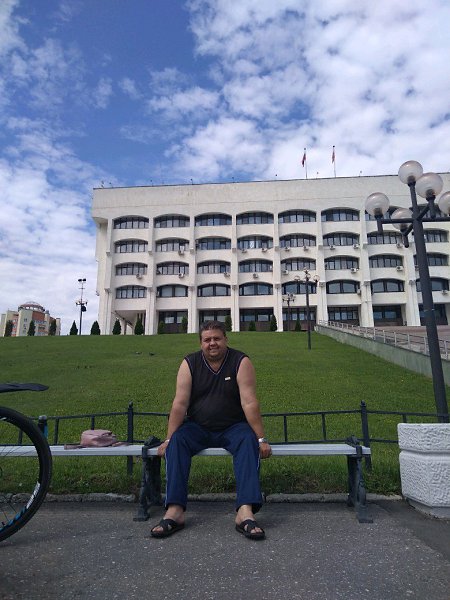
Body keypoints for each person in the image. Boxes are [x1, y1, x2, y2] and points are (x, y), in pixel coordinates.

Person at [150, 320, 272, 540]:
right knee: (178, 441)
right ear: (201, 343)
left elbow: (249, 402)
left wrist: (261, 439)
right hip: (198, 427)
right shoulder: (190, 363)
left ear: (226, 339)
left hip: (233, 427)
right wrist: (168, 439)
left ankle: (245, 512)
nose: (212, 343)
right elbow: (180, 403)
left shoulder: (240, 361)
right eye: (207, 340)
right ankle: (175, 511)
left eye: (217, 338)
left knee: (248, 440)